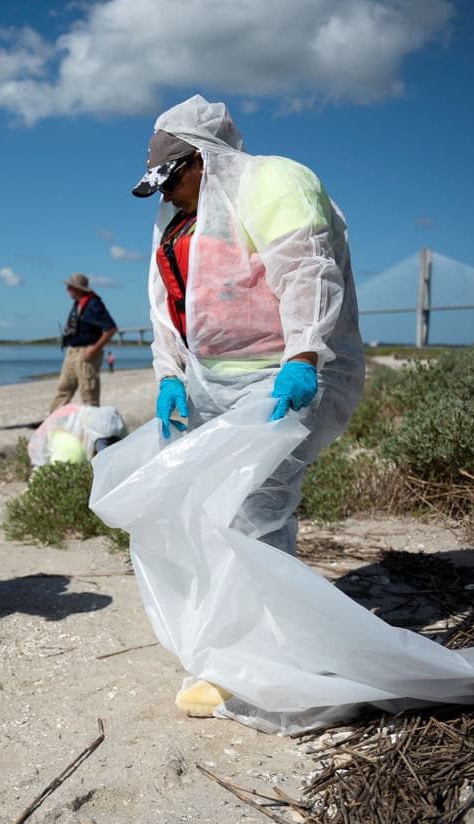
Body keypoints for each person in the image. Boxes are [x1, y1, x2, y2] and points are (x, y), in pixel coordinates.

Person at [131, 94, 364, 557]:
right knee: (207, 503)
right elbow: (166, 305)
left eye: (170, 180)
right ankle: (231, 614)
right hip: (207, 382)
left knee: (257, 508)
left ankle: (264, 624)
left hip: (276, 381)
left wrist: (302, 358)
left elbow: (308, 273)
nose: (164, 194)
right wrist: (170, 375)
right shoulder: (181, 222)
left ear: (202, 159)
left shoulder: (274, 181)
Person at [50, 273, 117, 411]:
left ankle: (92, 426)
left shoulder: (93, 304)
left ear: (78, 288)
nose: (67, 289)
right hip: (73, 351)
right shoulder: (78, 303)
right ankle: (53, 421)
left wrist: (94, 349)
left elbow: (111, 329)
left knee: (88, 392)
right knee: (63, 388)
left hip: (87, 352)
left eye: (70, 287)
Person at [28, 403, 126, 469]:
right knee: (74, 457)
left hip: (65, 432)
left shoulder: (116, 423)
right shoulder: (71, 448)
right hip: (54, 439)